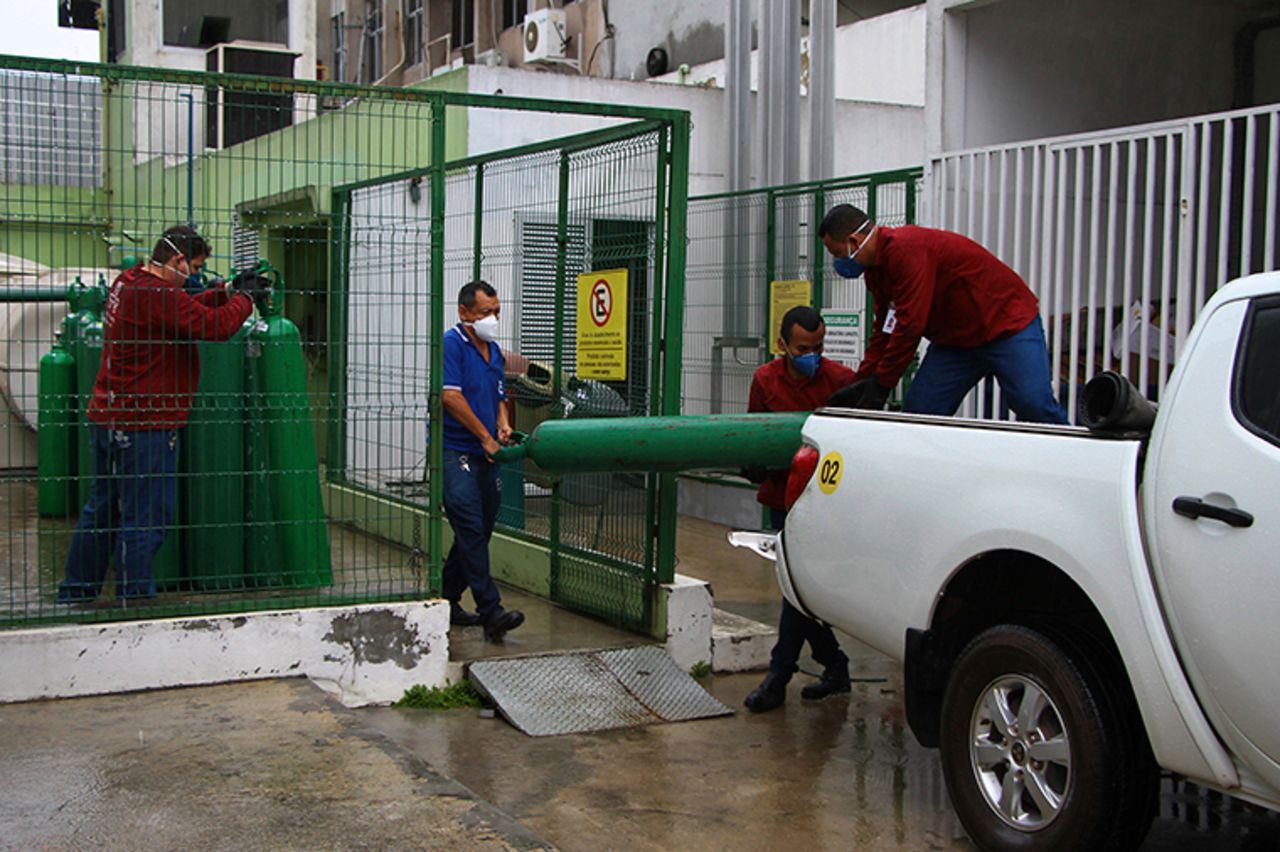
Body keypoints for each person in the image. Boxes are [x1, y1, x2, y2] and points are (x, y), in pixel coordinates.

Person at [59, 224, 267, 603]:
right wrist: (246, 302)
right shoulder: (154, 293)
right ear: (177, 260)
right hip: (144, 424)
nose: (194, 276)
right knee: (146, 519)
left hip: (109, 417)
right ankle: (134, 601)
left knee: (102, 512)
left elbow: (185, 309)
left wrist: (226, 292)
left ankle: (76, 592)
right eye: (194, 268)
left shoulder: (130, 281)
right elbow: (214, 327)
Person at [818, 204, 1068, 423]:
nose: (839, 261)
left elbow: (910, 325)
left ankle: (1073, 457)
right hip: (957, 342)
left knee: (1033, 404)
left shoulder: (905, 249)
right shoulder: (875, 272)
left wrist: (882, 384)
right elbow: (885, 328)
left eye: (837, 254)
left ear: (854, 241)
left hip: (1006, 325)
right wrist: (862, 383)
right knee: (921, 413)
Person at [742, 306, 856, 713]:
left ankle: (780, 674)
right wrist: (753, 463)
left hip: (827, 499)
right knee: (800, 588)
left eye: (819, 346)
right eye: (804, 348)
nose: (813, 355)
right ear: (783, 346)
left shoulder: (841, 380)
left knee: (799, 588)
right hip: (783, 500)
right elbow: (754, 435)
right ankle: (835, 665)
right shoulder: (765, 380)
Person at [441, 280, 524, 642]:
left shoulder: (493, 351)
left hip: (486, 453)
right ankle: (491, 611)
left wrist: (503, 425)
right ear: (464, 313)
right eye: (485, 312)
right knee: (470, 525)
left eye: (496, 312)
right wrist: (485, 436)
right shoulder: (451, 345)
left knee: (480, 529)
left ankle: (445, 600)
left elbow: (500, 396)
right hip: (455, 450)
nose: (492, 319)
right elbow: (451, 398)